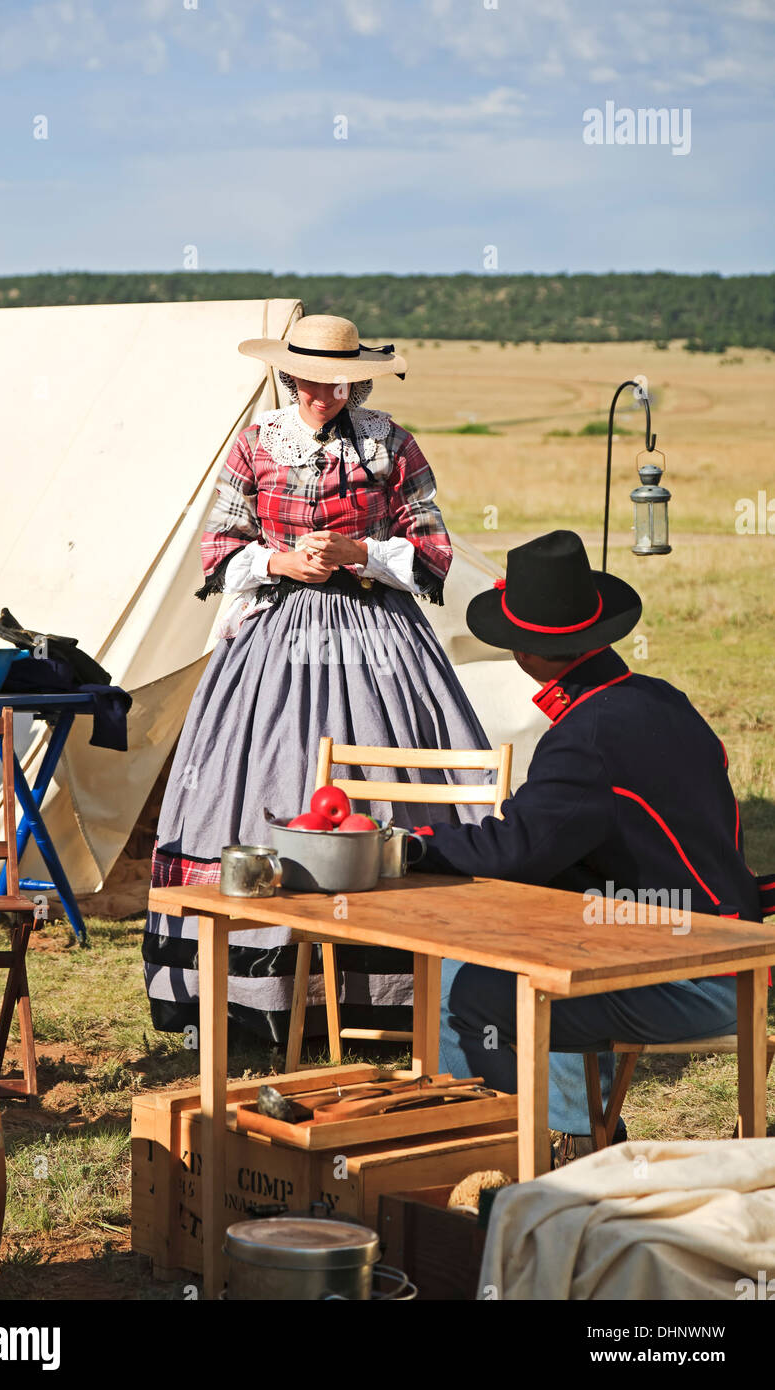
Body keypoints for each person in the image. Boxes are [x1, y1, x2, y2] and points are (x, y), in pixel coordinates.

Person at [143, 314, 492, 1044]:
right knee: (262, 778)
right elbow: (218, 545)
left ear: (354, 377)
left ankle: (400, 990)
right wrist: (280, 563)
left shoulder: (390, 442)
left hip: (377, 638)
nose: (320, 393)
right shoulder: (256, 443)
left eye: (335, 381)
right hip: (275, 638)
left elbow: (431, 548)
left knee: (381, 782)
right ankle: (255, 993)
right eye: (308, 378)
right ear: (288, 373)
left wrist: (360, 551)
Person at [413, 529, 770, 1162]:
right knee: (535, 951)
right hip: (733, 952)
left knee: (464, 990)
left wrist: (413, 847)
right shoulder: (660, 698)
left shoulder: (587, 735)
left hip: (695, 977)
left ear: (527, 653)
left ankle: (549, 1148)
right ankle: (577, 1133)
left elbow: (515, 849)